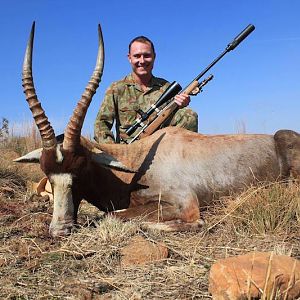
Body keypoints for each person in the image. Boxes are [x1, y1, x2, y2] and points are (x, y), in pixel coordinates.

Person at [94, 36, 198, 144]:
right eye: (137, 56)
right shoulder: (116, 88)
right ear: (129, 58)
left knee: (188, 114)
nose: (142, 61)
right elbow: (101, 124)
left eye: (147, 56)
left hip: (160, 149)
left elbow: (175, 117)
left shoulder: (166, 87)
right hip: (127, 151)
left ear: (154, 57)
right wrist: (113, 151)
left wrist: (181, 105)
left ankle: (180, 159)